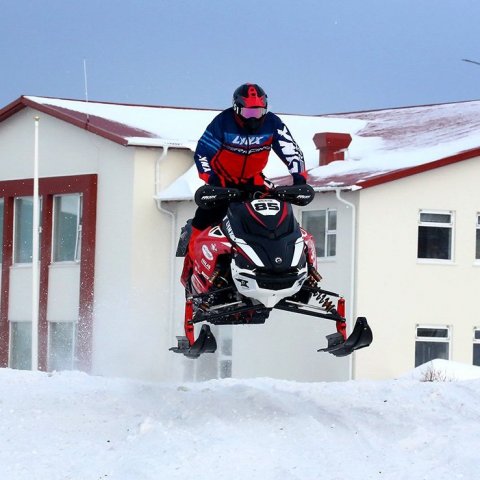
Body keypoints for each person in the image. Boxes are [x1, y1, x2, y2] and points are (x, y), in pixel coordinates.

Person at [185, 83, 307, 259]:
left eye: (258, 112)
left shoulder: (273, 123)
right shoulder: (222, 122)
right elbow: (203, 153)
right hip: (223, 182)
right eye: (248, 113)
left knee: (279, 216)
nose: (253, 118)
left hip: (254, 180)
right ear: (236, 109)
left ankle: (282, 261)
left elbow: (291, 151)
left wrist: (299, 178)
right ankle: (192, 262)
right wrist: (212, 179)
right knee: (203, 219)